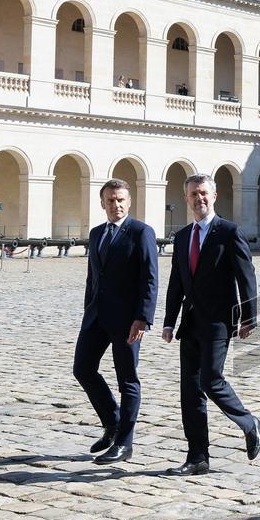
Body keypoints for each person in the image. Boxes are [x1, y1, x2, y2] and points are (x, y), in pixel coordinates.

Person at [162, 173, 260, 474]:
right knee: (190, 392)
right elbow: (176, 282)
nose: (199, 198)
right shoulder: (183, 236)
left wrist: (249, 316)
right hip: (190, 322)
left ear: (214, 196)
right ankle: (197, 458)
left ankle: (249, 422)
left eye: (204, 193)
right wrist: (169, 321)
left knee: (210, 380)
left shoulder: (229, 232)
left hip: (219, 321)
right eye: (194, 194)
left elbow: (246, 275)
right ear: (187, 198)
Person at [73, 179, 159, 465]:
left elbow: (150, 278)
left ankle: (124, 443)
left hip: (127, 321)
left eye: (121, 199)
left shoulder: (141, 232)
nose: (116, 204)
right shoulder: (97, 233)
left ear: (129, 202)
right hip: (96, 317)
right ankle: (112, 421)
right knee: (83, 369)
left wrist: (143, 318)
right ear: (103, 203)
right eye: (110, 200)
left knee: (127, 380)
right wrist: (88, 309)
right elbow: (93, 277)